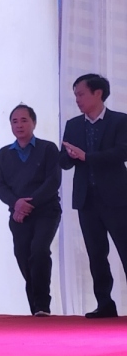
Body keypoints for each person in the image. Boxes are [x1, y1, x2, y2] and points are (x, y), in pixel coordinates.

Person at [60, 74, 127, 319]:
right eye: (75, 95)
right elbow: (64, 161)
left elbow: (122, 153)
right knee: (96, 254)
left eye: (81, 94)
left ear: (98, 93)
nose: (77, 100)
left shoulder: (120, 121)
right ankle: (105, 304)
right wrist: (69, 156)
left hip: (117, 199)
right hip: (86, 199)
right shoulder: (74, 125)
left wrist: (87, 157)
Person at [0, 104, 62, 316]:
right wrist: (16, 204)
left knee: (39, 251)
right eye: (14, 121)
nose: (19, 125)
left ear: (34, 123)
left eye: (24, 120)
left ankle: (42, 305)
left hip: (46, 211)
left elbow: (53, 181)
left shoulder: (48, 149)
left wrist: (28, 204)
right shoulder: (4, 154)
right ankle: (36, 309)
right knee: (23, 255)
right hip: (18, 214)